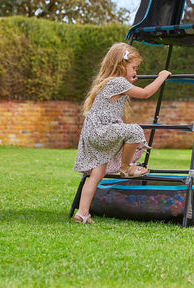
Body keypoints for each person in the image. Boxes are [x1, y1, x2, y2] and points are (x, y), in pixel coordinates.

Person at [72, 42, 171, 224]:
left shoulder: (110, 83)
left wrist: (128, 80)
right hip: (102, 130)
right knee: (134, 131)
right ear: (121, 65)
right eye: (133, 67)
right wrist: (161, 77)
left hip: (93, 132)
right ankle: (125, 168)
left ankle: (82, 213)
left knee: (97, 174)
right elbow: (146, 92)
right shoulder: (117, 83)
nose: (136, 71)